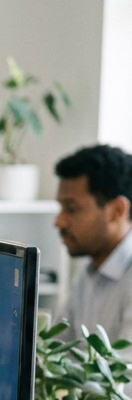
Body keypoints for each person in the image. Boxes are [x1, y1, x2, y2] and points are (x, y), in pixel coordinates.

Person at [53, 144, 132, 342]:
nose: (58, 221)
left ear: (117, 211)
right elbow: (56, 349)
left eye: (71, 209)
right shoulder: (89, 271)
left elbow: (123, 372)